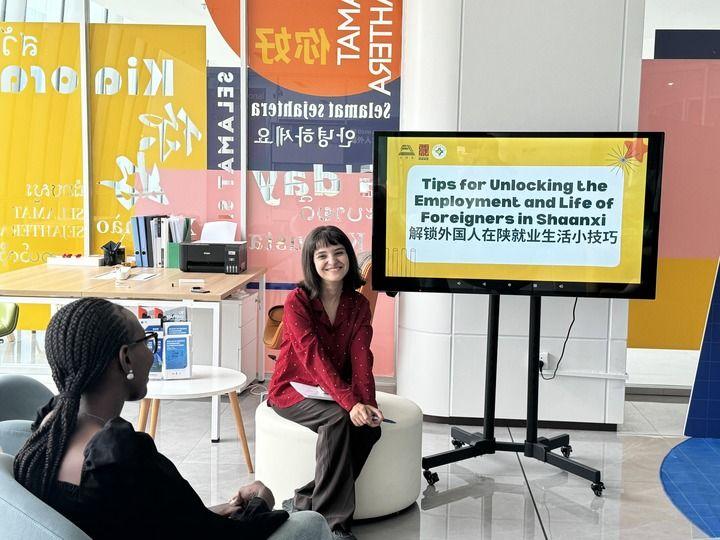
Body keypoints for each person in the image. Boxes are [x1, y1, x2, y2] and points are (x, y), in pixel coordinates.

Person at [13, 297, 331, 540]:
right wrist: (260, 502)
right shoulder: (122, 455)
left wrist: (215, 511)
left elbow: (149, 516)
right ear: (126, 358)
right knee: (311, 523)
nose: (152, 353)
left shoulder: (48, 426)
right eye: (147, 341)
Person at [267, 226, 384, 540]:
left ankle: (306, 500)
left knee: (369, 429)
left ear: (349, 257)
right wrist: (350, 403)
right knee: (338, 420)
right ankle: (333, 524)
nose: (332, 261)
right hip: (292, 389)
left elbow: (362, 357)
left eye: (339, 252)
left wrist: (367, 402)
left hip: (332, 391)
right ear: (311, 262)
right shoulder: (297, 300)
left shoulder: (358, 305)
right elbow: (312, 357)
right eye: (322, 255)